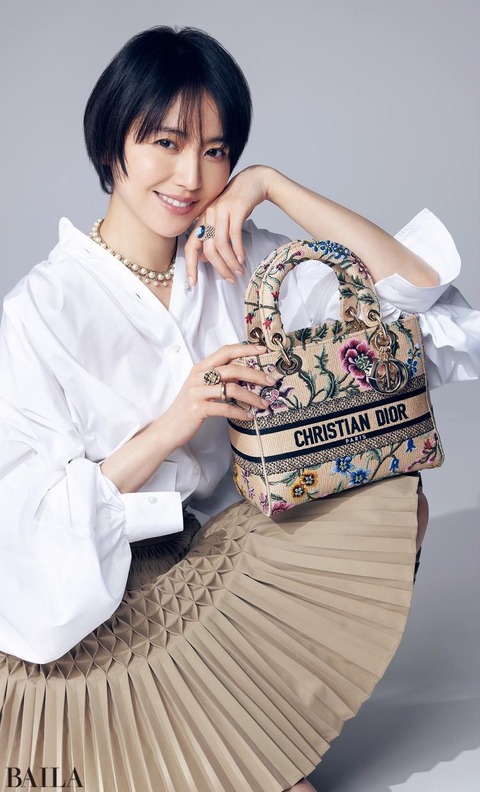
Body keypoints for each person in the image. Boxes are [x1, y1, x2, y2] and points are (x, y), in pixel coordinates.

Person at [0, 25, 478, 792]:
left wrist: (272, 184)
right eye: (165, 142)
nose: (191, 175)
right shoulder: (40, 313)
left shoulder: (237, 256)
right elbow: (28, 532)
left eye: (217, 150)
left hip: (227, 551)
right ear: (111, 144)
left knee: (390, 498)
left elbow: (420, 295)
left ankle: (270, 736)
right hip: (110, 599)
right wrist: (174, 424)